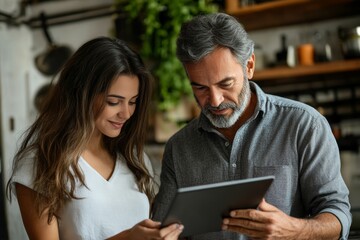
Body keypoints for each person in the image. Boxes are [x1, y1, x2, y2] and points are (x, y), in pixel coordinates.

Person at [152, 13, 351, 240]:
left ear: (249, 66)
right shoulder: (178, 148)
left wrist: (294, 230)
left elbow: (338, 214)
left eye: (225, 84)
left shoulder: (304, 125)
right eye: (200, 88)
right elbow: (164, 228)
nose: (215, 100)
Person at [6, 36, 183, 240]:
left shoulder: (135, 159)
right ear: (82, 94)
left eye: (133, 102)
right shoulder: (41, 162)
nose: (126, 113)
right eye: (114, 102)